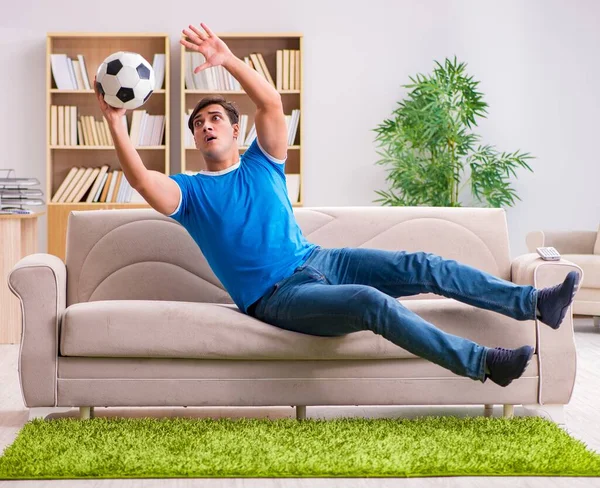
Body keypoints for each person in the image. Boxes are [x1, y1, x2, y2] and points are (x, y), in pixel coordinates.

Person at [94, 22, 580, 388]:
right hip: (277, 298)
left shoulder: (263, 163)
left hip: (321, 260)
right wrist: (117, 122)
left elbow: (271, 105)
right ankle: (483, 364)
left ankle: (535, 303)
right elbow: (140, 177)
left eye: (216, 117)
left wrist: (227, 60)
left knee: (424, 264)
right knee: (371, 302)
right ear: (195, 137)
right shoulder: (192, 194)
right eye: (198, 123)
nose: (207, 126)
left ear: (235, 130)